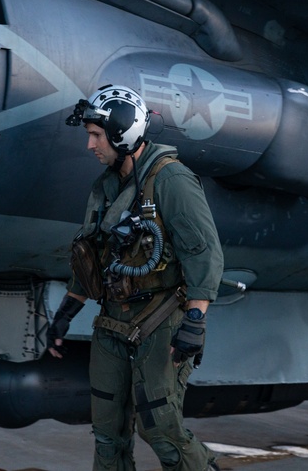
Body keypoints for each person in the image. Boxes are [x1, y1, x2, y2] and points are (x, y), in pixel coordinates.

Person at [48, 84, 224, 471]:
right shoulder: (108, 187)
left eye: (96, 135)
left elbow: (205, 252)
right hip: (113, 319)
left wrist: (195, 318)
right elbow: (93, 255)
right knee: (108, 432)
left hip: (160, 319)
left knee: (161, 429)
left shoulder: (170, 180)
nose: (90, 145)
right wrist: (66, 312)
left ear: (121, 132)